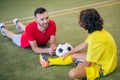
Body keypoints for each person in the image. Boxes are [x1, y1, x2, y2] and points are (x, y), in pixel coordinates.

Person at [39, 8, 117, 80]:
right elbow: (84, 44)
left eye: (81, 21)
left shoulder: (96, 39)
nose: (80, 23)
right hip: (105, 61)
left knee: (73, 73)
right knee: (74, 55)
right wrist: (69, 52)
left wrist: (80, 66)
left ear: (86, 23)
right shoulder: (98, 31)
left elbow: (88, 63)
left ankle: (80, 68)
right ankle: (49, 62)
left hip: (102, 68)